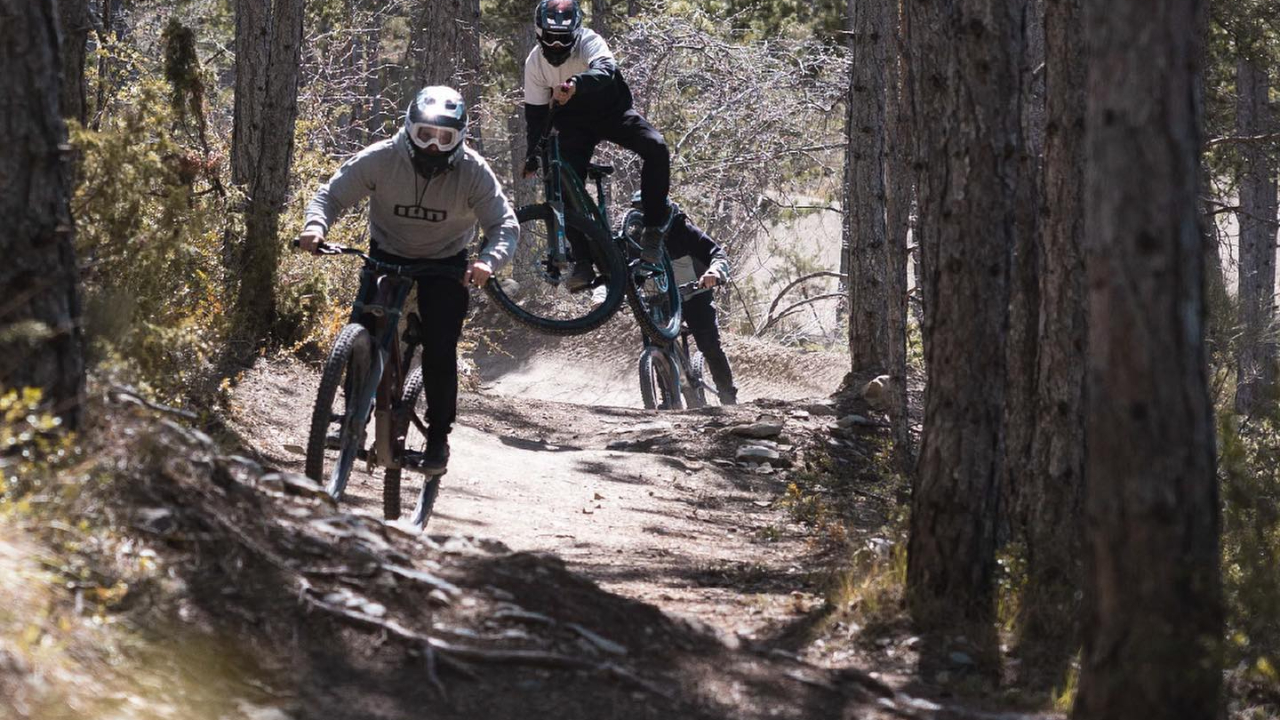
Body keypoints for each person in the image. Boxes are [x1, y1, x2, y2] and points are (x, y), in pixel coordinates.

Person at [297, 86, 519, 473]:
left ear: (460, 137)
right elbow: (330, 196)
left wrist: (487, 261)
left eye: (445, 138)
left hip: (446, 265)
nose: (434, 146)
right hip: (385, 255)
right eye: (425, 135)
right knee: (360, 331)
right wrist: (315, 228)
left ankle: (437, 438)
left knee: (439, 346)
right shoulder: (382, 158)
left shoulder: (473, 171)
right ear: (409, 130)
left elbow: (504, 224)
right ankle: (353, 417)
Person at [522, 0, 672, 291]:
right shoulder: (534, 64)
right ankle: (583, 262)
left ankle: (653, 231)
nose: (555, 45)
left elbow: (605, 70)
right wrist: (531, 157)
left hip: (612, 112)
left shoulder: (591, 40)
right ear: (539, 34)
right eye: (549, 38)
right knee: (561, 182)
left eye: (563, 38)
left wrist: (576, 84)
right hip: (573, 124)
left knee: (656, 147)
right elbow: (536, 117)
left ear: (576, 34)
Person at [622, 192, 738, 405]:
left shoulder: (683, 230)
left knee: (709, 344)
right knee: (657, 341)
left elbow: (716, 253)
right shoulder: (636, 240)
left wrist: (715, 273)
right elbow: (619, 271)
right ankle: (667, 397)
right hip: (659, 300)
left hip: (695, 295)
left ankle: (727, 396)